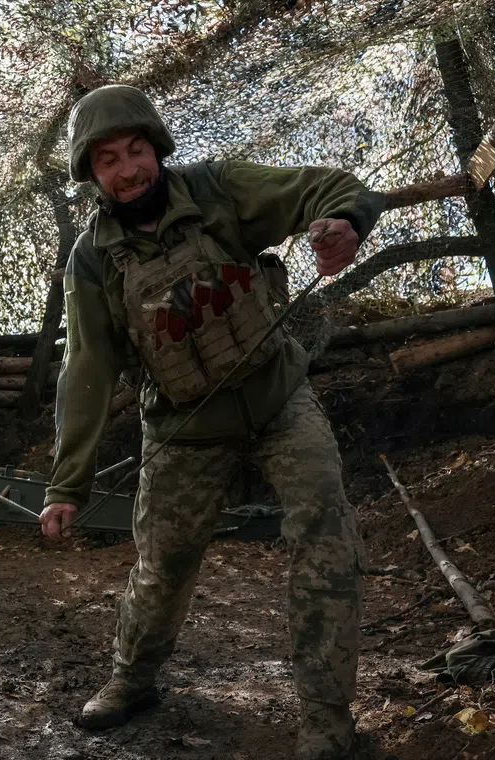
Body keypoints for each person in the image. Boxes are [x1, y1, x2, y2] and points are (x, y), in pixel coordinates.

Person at [39, 85, 385, 760]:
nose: (127, 169)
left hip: (278, 399)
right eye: (108, 160)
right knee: (163, 564)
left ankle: (324, 720)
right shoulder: (92, 258)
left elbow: (329, 187)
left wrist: (344, 222)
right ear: (92, 174)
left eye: (136, 150)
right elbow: (86, 368)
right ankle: (132, 680)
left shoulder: (221, 189)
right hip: (181, 430)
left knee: (325, 537)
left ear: (157, 148)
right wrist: (66, 484)